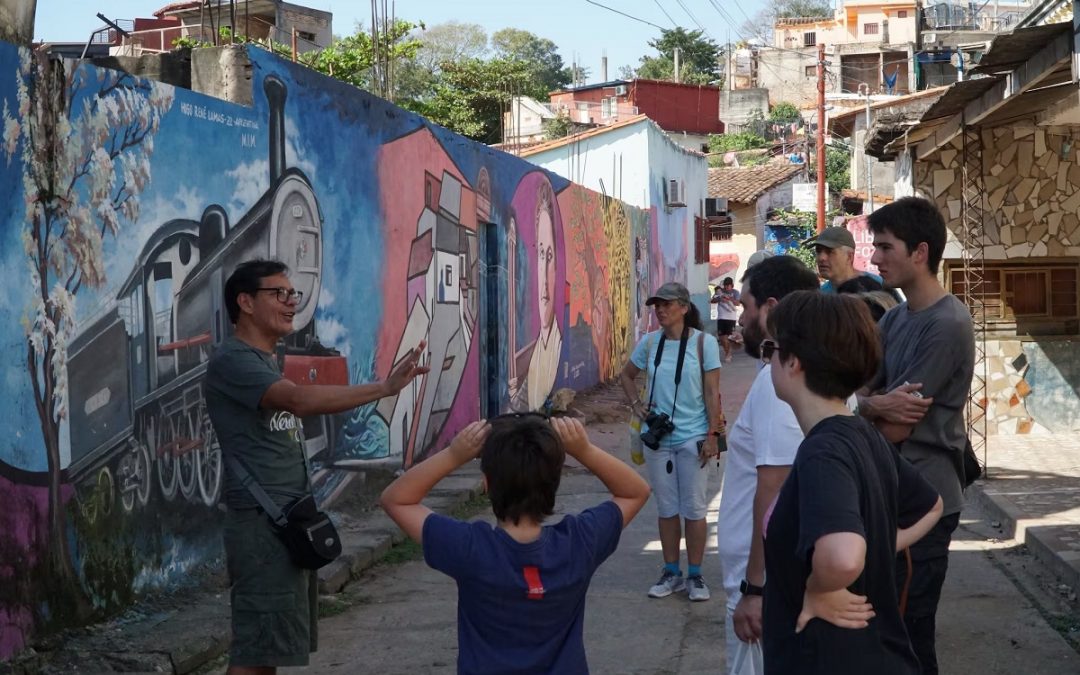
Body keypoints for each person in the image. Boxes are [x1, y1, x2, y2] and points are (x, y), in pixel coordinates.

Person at [205, 259, 429, 674]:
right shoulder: (233, 360)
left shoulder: (262, 359)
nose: (291, 302)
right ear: (245, 302)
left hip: (284, 521)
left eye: (292, 294)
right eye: (278, 293)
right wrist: (383, 388)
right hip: (261, 526)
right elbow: (297, 400)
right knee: (254, 651)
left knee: (269, 648)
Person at [380, 414, 651, 674]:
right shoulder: (580, 542)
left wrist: (453, 455)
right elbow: (635, 492)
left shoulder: (469, 548)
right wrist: (584, 450)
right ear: (555, 483)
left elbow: (397, 500)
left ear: (487, 484)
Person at [762, 291, 943, 675]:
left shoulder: (823, 451)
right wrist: (876, 546)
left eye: (770, 349)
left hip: (830, 657)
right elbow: (931, 506)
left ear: (793, 361)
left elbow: (843, 557)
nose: (767, 360)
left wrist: (819, 587)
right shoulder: (861, 432)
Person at [857, 196, 975, 675]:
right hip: (891, 492)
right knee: (884, 631)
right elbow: (860, 390)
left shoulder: (948, 324)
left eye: (885, 247)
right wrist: (870, 403)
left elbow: (897, 425)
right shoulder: (895, 317)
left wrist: (866, 407)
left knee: (908, 635)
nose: (874, 258)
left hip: (925, 498)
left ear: (920, 252)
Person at [717, 255, 820, 674]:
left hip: (766, 582)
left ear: (772, 309)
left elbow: (774, 487)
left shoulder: (781, 380)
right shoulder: (814, 370)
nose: (740, 318)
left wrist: (754, 588)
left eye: (745, 306)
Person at [620, 282, 723, 602]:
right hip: (658, 437)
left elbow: (712, 394)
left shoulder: (704, 344)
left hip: (694, 436)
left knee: (694, 508)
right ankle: (670, 571)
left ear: (684, 308)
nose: (660, 310)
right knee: (666, 508)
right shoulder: (650, 342)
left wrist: (714, 437)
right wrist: (637, 406)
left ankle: (695, 574)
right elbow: (626, 375)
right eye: (657, 305)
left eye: (667, 304)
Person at [804, 226, 882, 292]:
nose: (821, 258)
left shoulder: (877, 287)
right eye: (818, 251)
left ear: (849, 256)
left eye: (829, 251)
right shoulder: (821, 295)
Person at [711, 277, 740, 363]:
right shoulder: (720, 291)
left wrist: (729, 299)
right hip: (721, 317)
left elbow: (738, 303)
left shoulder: (735, 292)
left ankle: (728, 353)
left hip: (731, 318)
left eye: (728, 285)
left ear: (732, 285)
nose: (726, 287)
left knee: (729, 337)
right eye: (725, 285)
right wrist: (720, 298)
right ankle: (728, 352)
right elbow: (713, 300)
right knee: (722, 338)